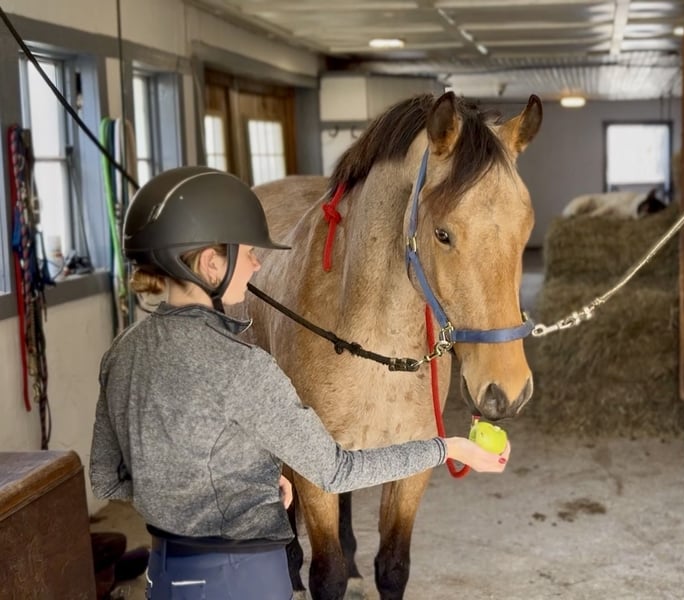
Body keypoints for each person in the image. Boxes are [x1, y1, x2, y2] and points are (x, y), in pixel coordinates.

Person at [89, 166, 511, 600]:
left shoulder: (121, 352)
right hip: (243, 579)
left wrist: (191, 496)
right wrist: (448, 449)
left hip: (166, 575)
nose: (258, 264)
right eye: (249, 253)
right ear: (211, 264)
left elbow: (105, 479)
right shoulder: (244, 367)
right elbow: (335, 471)